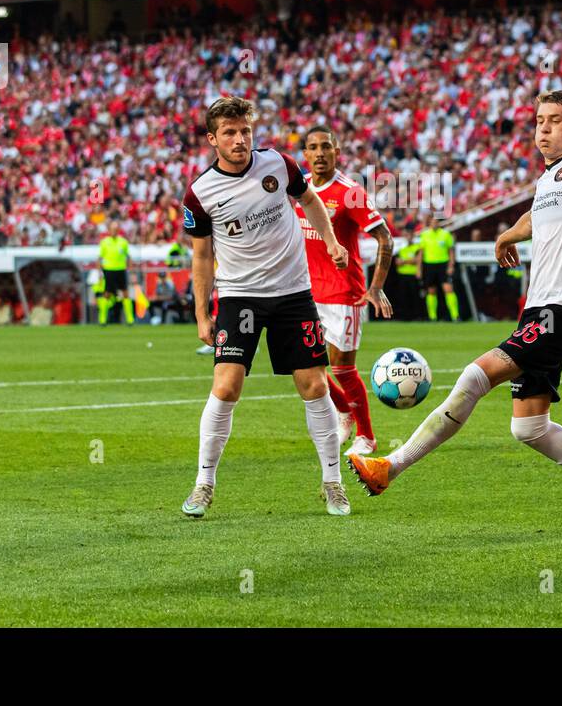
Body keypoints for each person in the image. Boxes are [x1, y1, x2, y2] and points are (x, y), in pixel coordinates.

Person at [348, 89, 562, 529]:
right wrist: (508, 235)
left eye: (555, 120)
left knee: (476, 376)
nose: (544, 129)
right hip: (539, 311)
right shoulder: (547, 181)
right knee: (528, 427)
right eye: (539, 121)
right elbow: (537, 216)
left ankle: (389, 468)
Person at [181, 97, 352, 519]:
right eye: (229, 133)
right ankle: (204, 484)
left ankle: (333, 482)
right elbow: (202, 257)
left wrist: (330, 241)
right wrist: (203, 313)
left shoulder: (278, 164)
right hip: (239, 297)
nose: (240, 140)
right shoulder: (200, 193)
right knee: (226, 387)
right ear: (212, 139)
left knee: (314, 386)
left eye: (245, 132)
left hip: (293, 293)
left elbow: (310, 200)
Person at [298, 125, 394, 456]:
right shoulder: (300, 190)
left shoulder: (350, 192)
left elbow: (385, 238)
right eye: (314, 147)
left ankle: (366, 435)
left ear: (337, 152)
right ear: (305, 155)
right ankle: (344, 412)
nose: (320, 152)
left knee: (341, 368)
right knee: (305, 366)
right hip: (306, 292)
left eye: (327, 146)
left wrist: (376, 287)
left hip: (343, 292)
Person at [415, 213, 459, 321]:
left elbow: (451, 251)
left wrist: (451, 265)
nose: (434, 223)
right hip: (429, 265)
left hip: (443, 265)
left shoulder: (445, 234)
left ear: (439, 223)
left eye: (436, 222)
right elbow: (421, 253)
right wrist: (418, 268)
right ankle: (432, 317)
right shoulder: (425, 235)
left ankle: (455, 315)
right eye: (432, 222)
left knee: (448, 289)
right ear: (429, 223)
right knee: (431, 291)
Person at [97, 221, 133, 326]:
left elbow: (128, 257)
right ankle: (102, 319)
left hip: (121, 270)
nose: (114, 231)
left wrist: (130, 271)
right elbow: (99, 258)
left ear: (118, 230)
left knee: (125, 293)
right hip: (109, 270)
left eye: (116, 229)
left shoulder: (123, 242)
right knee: (107, 294)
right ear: (109, 230)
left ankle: (130, 319)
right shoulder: (104, 242)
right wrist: (99, 273)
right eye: (112, 229)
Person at [391, 228, 422, 319]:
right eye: (407, 236)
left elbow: (417, 260)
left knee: (415, 297)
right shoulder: (401, 248)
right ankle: (404, 316)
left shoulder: (417, 247)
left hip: (412, 274)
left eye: (410, 236)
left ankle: (416, 316)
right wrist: (410, 261)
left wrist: (404, 261)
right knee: (403, 297)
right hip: (402, 274)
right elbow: (397, 262)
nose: (409, 238)